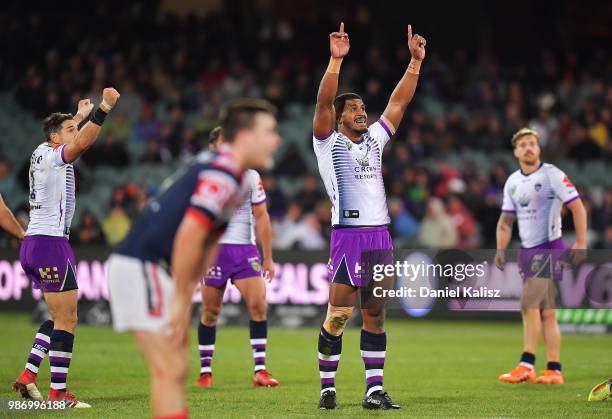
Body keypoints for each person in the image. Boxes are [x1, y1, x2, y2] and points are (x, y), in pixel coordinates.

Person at [107, 99, 280, 419]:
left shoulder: (241, 179)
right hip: (140, 264)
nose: (277, 140)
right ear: (244, 136)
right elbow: (189, 236)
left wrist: (184, 297)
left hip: (150, 267)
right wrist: (180, 300)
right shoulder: (224, 172)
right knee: (169, 367)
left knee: (174, 368)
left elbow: (211, 239)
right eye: (269, 131)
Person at [312, 22, 426, 410]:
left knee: (375, 315)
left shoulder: (375, 140)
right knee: (339, 315)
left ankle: (373, 390)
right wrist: (335, 60)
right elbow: (323, 103)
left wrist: (414, 63)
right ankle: (328, 387)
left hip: (378, 236)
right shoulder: (329, 143)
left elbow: (398, 104)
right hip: (347, 237)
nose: (363, 113)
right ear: (340, 116)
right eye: (355, 109)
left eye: (363, 108)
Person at [13, 88, 120, 408]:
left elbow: (69, 135)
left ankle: (29, 374)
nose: (76, 133)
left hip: (35, 243)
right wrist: (103, 109)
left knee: (57, 316)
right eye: (70, 129)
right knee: (69, 319)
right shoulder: (54, 155)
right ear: (56, 137)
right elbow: (82, 144)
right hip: (50, 244)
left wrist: (77, 116)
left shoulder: (41, 150)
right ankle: (58, 393)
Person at [495, 128, 587, 385]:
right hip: (527, 250)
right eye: (523, 144)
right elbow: (505, 221)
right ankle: (554, 369)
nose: (528, 148)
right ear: (515, 151)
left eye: (532, 143)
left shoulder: (552, 175)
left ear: (539, 148)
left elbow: (577, 207)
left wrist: (580, 241)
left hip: (549, 247)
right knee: (547, 312)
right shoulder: (512, 181)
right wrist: (501, 249)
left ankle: (526, 364)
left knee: (528, 303)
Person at [196, 127, 279, 388]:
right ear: (212, 148)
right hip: (214, 251)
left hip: (244, 250)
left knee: (258, 304)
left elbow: (262, 216)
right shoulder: (203, 176)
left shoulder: (251, 176)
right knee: (211, 311)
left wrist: (268, 257)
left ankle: (260, 370)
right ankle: (206, 372)